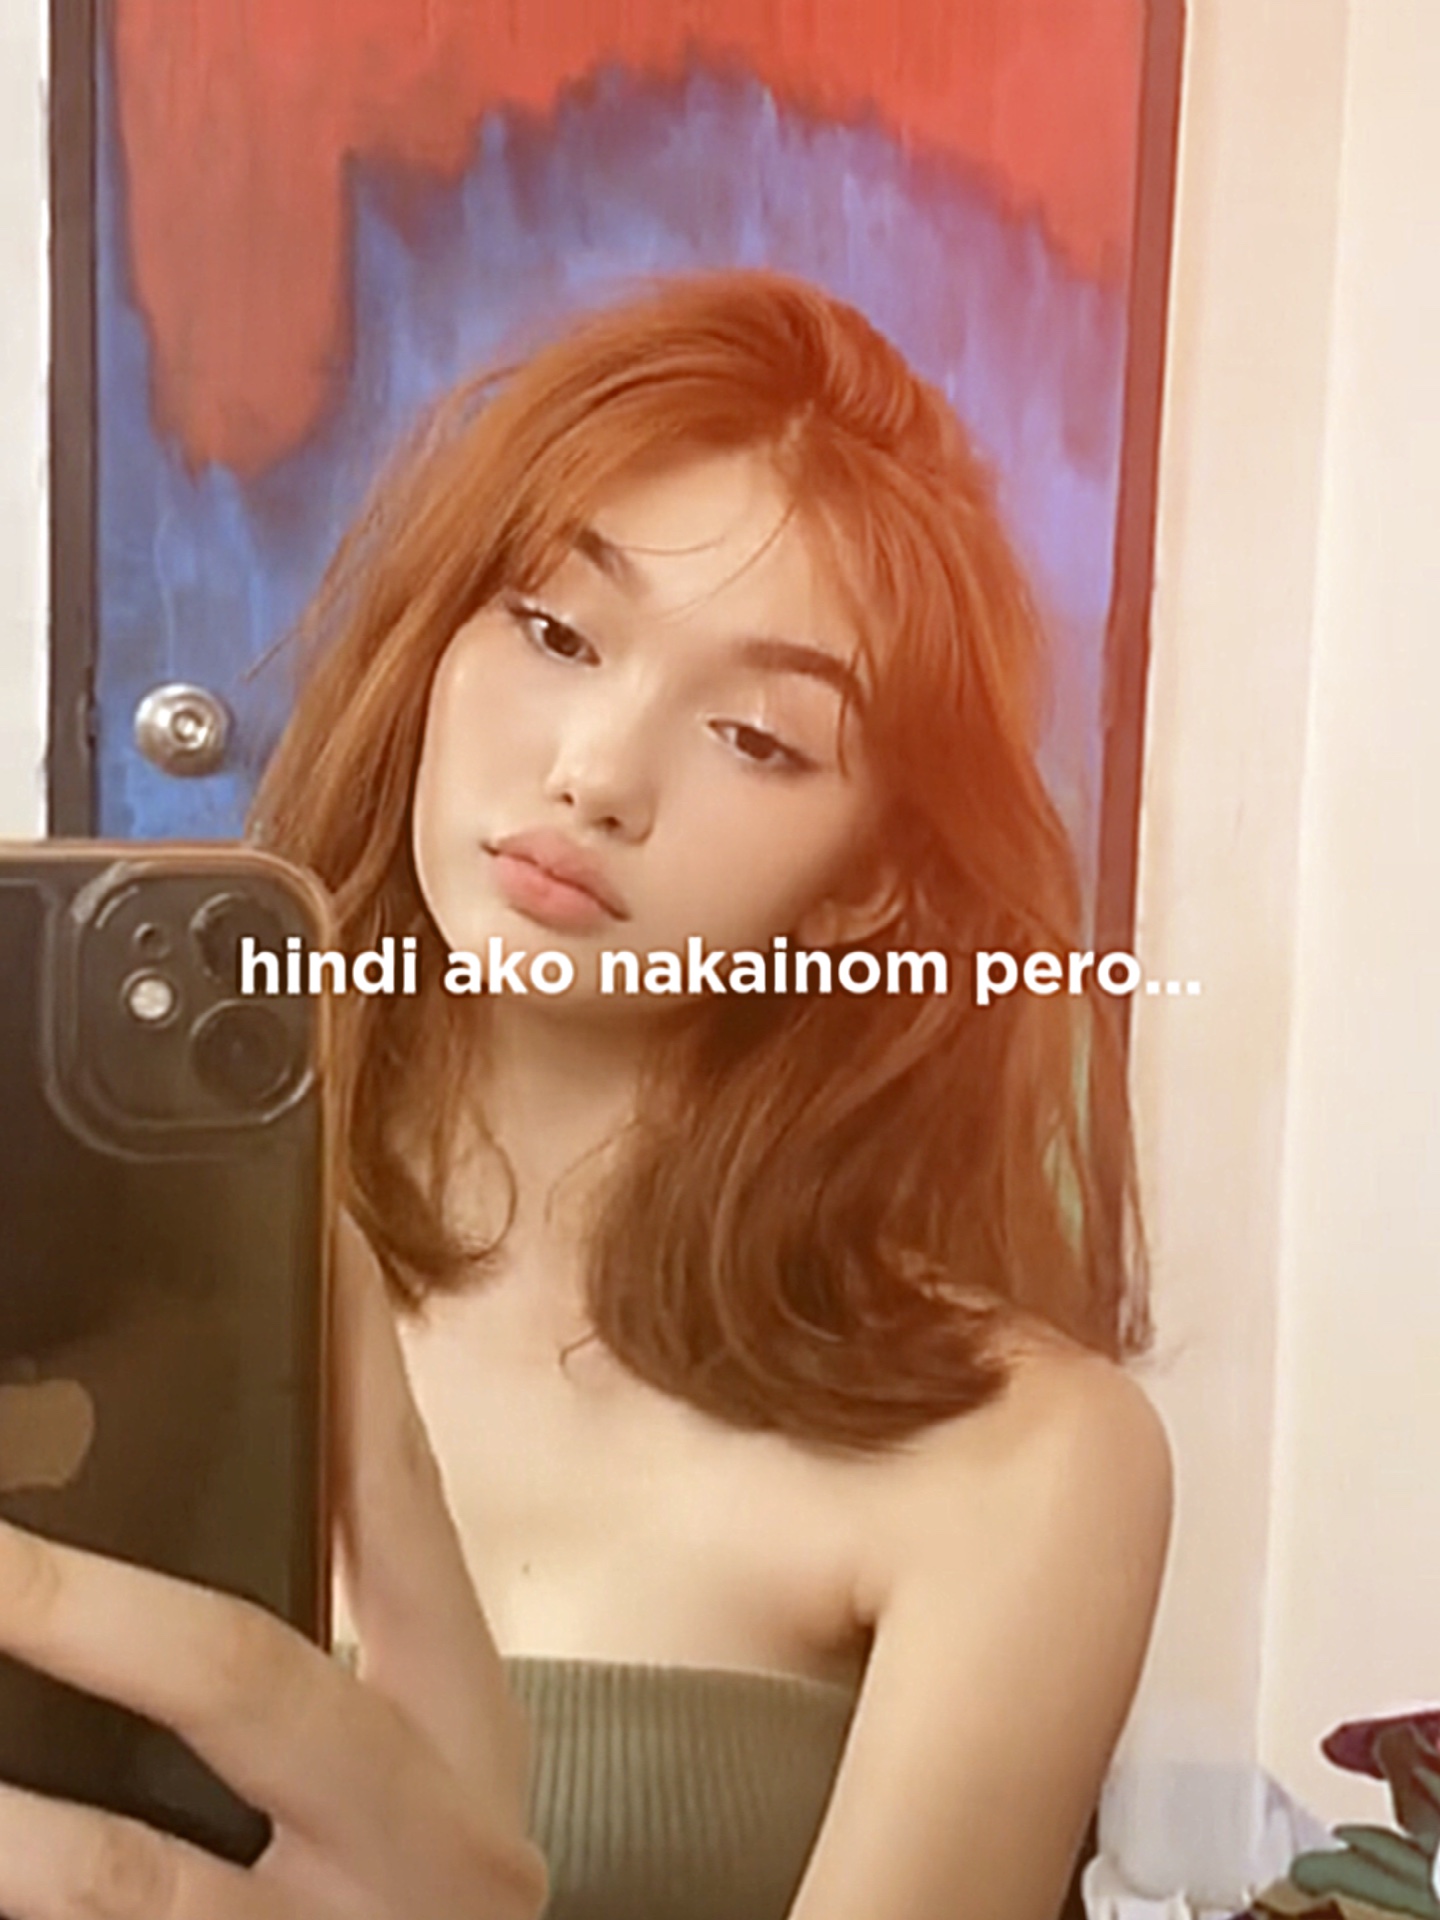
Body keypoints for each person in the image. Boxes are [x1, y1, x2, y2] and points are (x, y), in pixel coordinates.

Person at [0, 271, 1172, 1920]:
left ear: (867, 885)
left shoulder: (1021, 1465)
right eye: (554, 633)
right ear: (435, 645)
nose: (598, 774)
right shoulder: (78, 1294)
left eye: (758, 737)